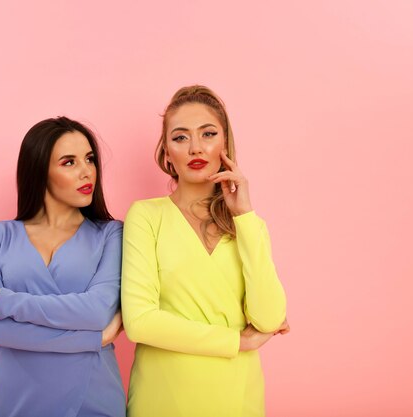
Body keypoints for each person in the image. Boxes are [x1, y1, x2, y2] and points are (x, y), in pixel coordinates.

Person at [121, 85, 290, 417]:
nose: (195, 147)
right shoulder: (146, 216)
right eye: (181, 137)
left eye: (208, 134)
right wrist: (238, 342)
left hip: (237, 398)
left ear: (224, 144)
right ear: (167, 152)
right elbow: (140, 321)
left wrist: (244, 215)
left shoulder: (248, 226)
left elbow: (269, 317)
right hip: (163, 398)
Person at [0, 117, 126, 417]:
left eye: (89, 159)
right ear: (39, 170)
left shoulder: (111, 234)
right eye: (69, 162)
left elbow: (95, 311)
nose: (86, 171)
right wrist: (95, 339)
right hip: (17, 403)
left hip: (94, 401)